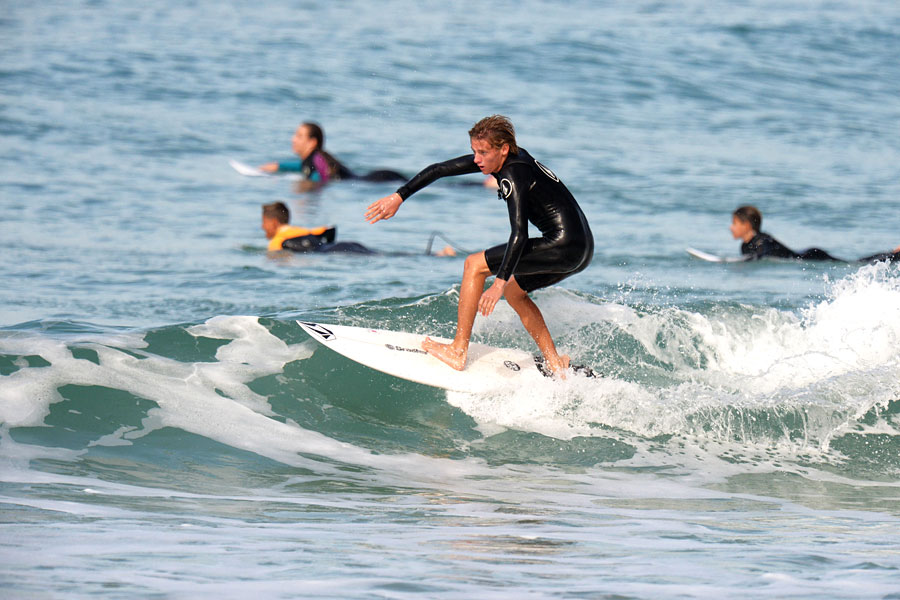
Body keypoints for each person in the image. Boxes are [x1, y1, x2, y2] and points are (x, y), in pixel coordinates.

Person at [365, 115, 593, 376]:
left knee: (474, 265)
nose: (476, 159)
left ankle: (458, 350)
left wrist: (497, 282)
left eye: (483, 152)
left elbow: (519, 234)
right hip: (581, 248)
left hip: (562, 245)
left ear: (503, 149)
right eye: (475, 151)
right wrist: (398, 196)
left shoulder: (512, 175)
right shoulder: (510, 160)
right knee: (515, 292)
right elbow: (439, 169)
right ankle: (554, 361)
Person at [258, 122, 406, 190]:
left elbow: (320, 178)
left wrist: (306, 186)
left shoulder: (315, 160)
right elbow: (302, 166)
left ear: (312, 142)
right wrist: (278, 166)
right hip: (375, 177)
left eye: (299, 136)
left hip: (374, 181)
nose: (293, 139)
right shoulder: (316, 158)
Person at [731, 205, 900, 262]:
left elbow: (764, 254)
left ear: (746, 225)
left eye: (735, 223)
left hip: (810, 255)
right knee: (856, 263)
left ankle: (894, 255)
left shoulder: (761, 239)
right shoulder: (745, 245)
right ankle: (894, 254)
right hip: (805, 254)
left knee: (855, 263)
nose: (731, 228)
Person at [262, 202, 373, 254]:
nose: (262, 226)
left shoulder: (278, 241)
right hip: (342, 245)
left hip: (336, 251)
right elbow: (330, 230)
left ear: (274, 222)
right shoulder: (302, 231)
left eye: (264, 222)